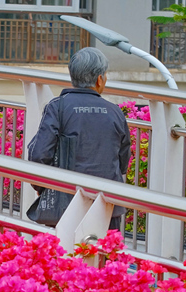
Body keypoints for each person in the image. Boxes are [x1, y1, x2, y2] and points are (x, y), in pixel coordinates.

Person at [27, 47, 131, 229]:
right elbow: (122, 161)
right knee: (105, 246)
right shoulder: (115, 112)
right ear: (99, 79)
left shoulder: (57, 107)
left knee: (66, 247)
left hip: (65, 205)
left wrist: (43, 187)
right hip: (107, 205)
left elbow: (39, 154)